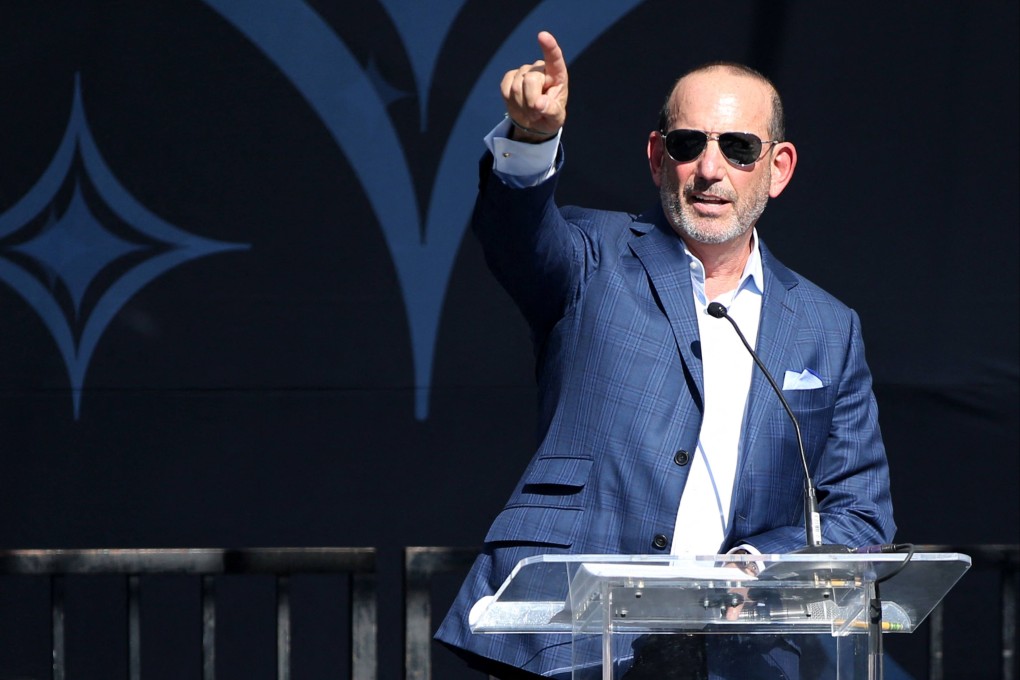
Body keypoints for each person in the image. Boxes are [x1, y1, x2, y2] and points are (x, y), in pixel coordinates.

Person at [436, 31, 895, 679]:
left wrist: (759, 564)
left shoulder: (828, 326)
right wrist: (532, 138)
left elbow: (860, 515)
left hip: (738, 656)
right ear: (657, 157)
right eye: (687, 144)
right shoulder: (592, 255)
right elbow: (517, 236)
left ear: (778, 168)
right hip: (570, 640)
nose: (709, 169)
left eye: (738, 148)